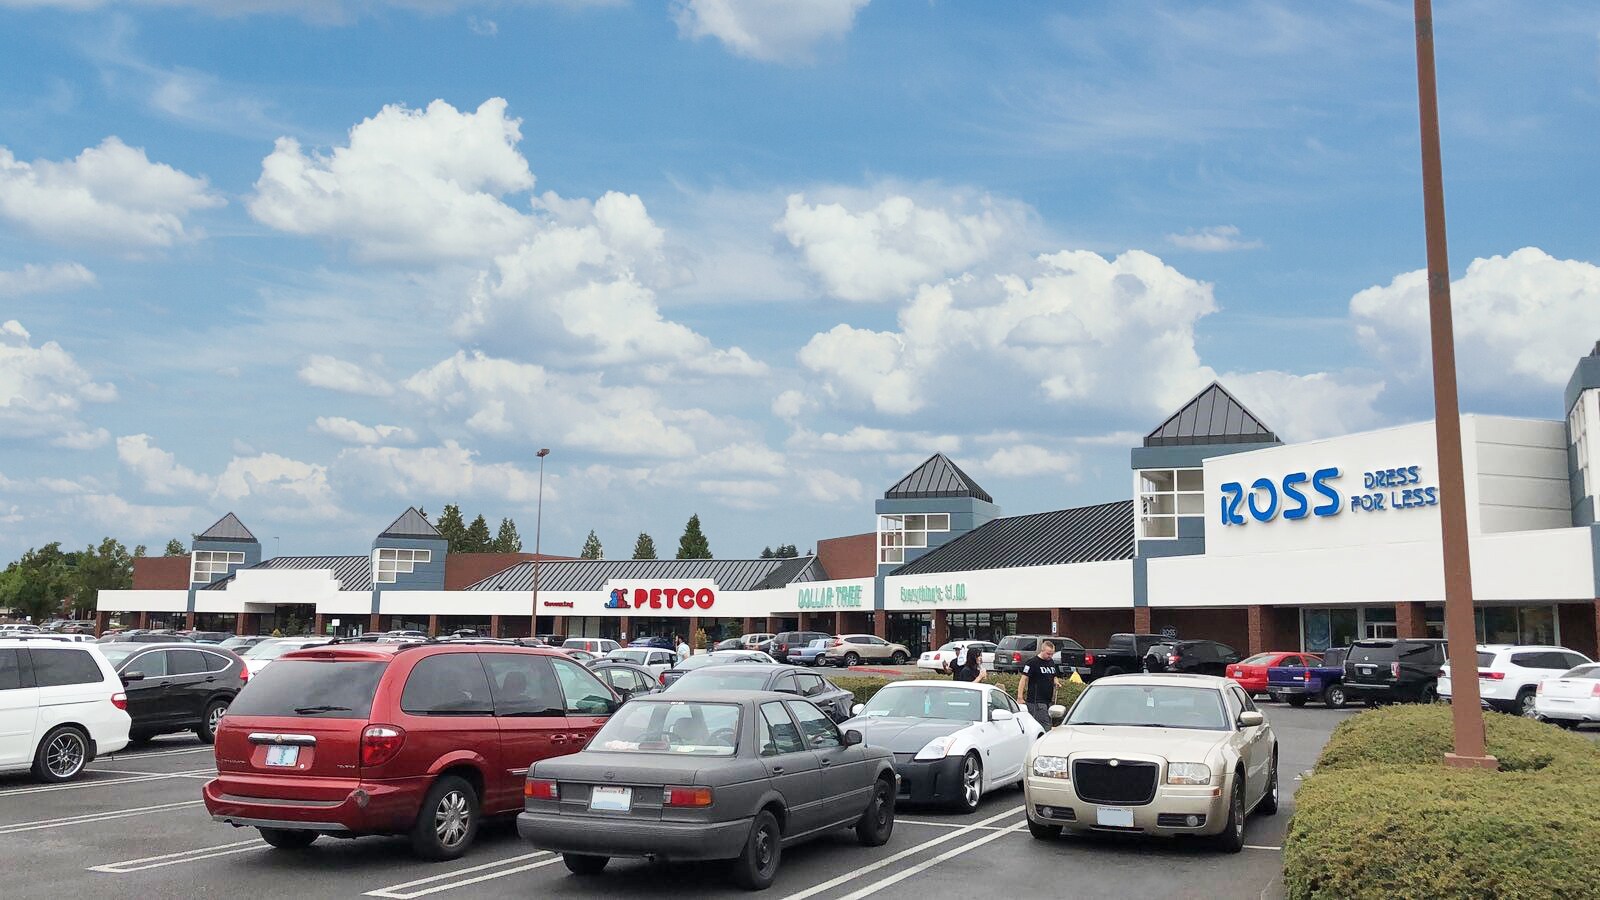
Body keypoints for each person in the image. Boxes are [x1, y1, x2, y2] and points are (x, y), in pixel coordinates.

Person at [1017, 641, 1060, 730]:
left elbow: (1054, 675)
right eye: (1048, 654)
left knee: (1047, 723)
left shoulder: (1051, 662)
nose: (1050, 656)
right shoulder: (1032, 663)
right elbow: (1023, 679)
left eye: (1052, 654)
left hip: (1048, 700)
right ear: (1042, 650)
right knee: (1045, 725)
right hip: (1036, 701)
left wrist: (1056, 681)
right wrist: (1020, 697)